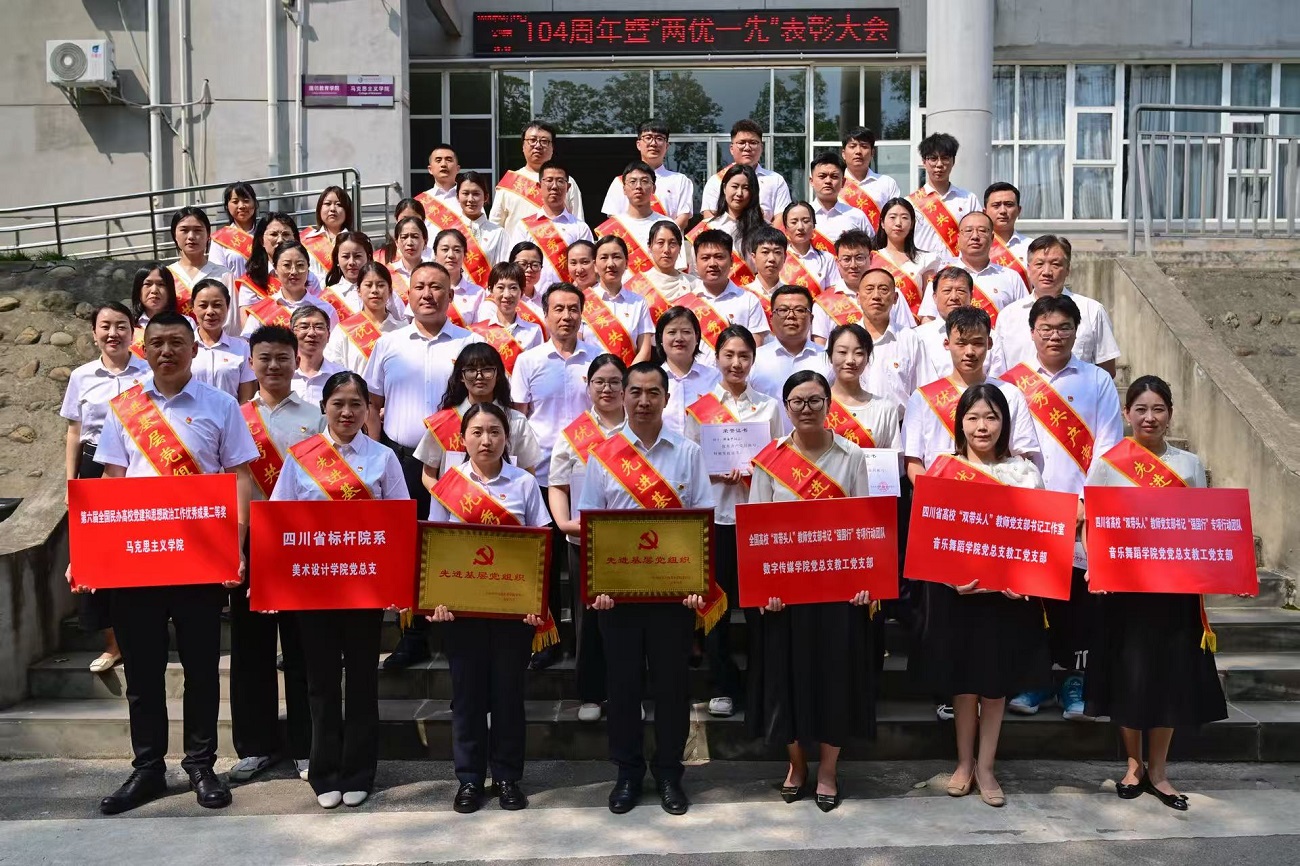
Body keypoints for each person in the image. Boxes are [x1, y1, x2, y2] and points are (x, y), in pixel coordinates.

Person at [88, 311, 258, 815]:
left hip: (200, 558)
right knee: (142, 672)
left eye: (176, 342)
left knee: (202, 668)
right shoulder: (126, 408)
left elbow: (239, 478)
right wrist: (95, 552)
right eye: (157, 342)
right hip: (137, 559)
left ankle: (201, 764)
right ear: (144, 349)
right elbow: (112, 481)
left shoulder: (220, 405)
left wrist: (236, 546)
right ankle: (147, 768)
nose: (166, 351)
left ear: (193, 348)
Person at [1082, 375, 1228, 811]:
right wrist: (1098, 569)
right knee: (1130, 676)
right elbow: (1094, 524)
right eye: (1141, 409)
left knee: (1168, 677)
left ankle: (1160, 771)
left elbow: (1201, 525)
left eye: (1158, 409)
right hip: (1125, 591)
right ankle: (1133, 765)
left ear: (1170, 415)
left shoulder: (1189, 465)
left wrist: (1221, 574)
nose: (1150, 417)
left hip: (1174, 591)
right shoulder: (1108, 463)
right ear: (1127, 414)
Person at [578, 361, 716, 816]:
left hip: (673, 598)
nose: (642, 401)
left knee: (673, 688)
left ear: (666, 399)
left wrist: (696, 584)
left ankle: (670, 773)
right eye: (634, 392)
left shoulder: (688, 453)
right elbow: (591, 523)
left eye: (652, 392)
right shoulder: (603, 455)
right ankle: (627, 773)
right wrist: (598, 586)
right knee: (622, 688)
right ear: (623, 396)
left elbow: (702, 520)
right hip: (617, 598)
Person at [269, 371, 408, 809]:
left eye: (356, 404)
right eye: (338, 404)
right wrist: (274, 585)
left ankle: (359, 770)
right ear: (323, 407)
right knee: (321, 682)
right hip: (314, 588)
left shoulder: (383, 458)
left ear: (368, 409)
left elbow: (400, 523)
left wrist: (398, 584)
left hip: (364, 586)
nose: (347, 412)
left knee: (363, 679)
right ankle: (325, 771)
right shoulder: (301, 456)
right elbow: (279, 519)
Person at [910, 383, 1051, 809]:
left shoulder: (1024, 473)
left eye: (991, 417)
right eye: (972, 417)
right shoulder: (942, 470)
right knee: (964, 684)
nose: (982, 426)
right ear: (960, 424)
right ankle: (963, 763)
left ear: (1005, 423)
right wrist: (947, 577)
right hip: (958, 596)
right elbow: (929, 538)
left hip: (1004, 599)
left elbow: (1039, 538)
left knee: (994, 685)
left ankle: (986, 767)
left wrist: (1022, 579)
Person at [746, 370, 875, 812]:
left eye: (815, 401)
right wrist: (764, 588)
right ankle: (796, 765)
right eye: (798, 402)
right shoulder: (771, 460)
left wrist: (863, 583)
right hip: (785, 594)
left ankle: (828, 771)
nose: (806, 409)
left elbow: (864, 524)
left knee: (834, 680)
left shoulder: (851, 455)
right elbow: (757, 527)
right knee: (786, 681)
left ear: (828, 405)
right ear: (786, 407)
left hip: (837, 590)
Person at [1003, 295, 1124, 721]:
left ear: (1077, 331)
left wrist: (1086, 502)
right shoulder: (1012, 383)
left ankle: (1075, 680)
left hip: (1081, 509)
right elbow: (1006, 446)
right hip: (1028, 508)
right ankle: (1034, 679)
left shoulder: (1097, 380)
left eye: (1063, 328)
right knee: (1031, 598)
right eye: (1046, 329)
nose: (1054, 336)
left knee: (1078, 600)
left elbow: (1108, 446)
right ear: (1032, 332)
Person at [426, 402, 550, 814]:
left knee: (509, 695)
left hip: (513, 612)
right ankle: (469, 779)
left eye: (494, 431)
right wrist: (438, 599)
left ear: (506, 438)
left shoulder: (524, 484)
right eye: (477, 432)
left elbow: (541, 545)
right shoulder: (450, 484)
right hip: (463, 612)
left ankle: (508, 777)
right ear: (463, 439)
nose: (486, 440)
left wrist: (536, 601)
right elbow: (436, 544)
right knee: (468, 698)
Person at [227, 324, 320, 786]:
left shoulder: (316, 415)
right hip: (248, 537)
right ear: (251, 362)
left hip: (299, 538)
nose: (274, 365)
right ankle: (256, 746)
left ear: (295, 359)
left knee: (302, 645)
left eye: (283, 357)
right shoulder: (234, 416)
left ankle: (307, 745)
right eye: (264, 357)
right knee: (251, 646)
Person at [683, 326, 783, 719]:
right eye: (729, 355)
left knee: (760, 607)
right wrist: (714, 473)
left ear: (753, 360)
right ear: (717, 358)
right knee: (717, 609)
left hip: (757, 518)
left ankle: (762, 685)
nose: (736, 363)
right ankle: (722, 684)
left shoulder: (770, 408)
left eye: (744, 356)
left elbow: (782, 463)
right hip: (717, 517)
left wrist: (758, 472)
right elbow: (690, 466)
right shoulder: (700, 409)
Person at [509, 283, 603, 664]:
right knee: (544, 566)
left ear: (582, 314)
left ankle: (584, 644)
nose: (566, 316)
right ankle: (546, 640)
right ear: (545, 315)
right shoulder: (528, 361)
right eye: (558, 309)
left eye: (573, 309)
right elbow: (519, 419)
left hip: (586, 477)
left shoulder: (598, 360)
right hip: (540, 475)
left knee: (584, 568)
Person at [60, 302, 149, 674]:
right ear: (94, 332)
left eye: (121, 325)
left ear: (133, 331)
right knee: (98, 555)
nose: (113, 333)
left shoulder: (148, 372)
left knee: (137, 552)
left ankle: (143, 635)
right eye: (106, 326)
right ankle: (112, 644)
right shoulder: (81, 376)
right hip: (94, 466)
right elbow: (74, 432)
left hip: (138, 467)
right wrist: (72, 483)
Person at [365, 261, 482, 524]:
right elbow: (372, 403)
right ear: (409, 295)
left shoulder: (471, 344)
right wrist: (374, 452)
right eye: (419, 287)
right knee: (400, 535)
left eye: (435, 287)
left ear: (450, 295)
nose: (427, 294)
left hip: (455, 462)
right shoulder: (388, 344)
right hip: (399, 460)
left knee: (449, 538)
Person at [547, 354, 628, 723]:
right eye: (600, 382)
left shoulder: (638, 429)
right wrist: (563, 523)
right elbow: (558, 484)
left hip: (631, 545)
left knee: (629, 620)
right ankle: (591, 693)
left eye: (614, 381)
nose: (607, 389)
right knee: (588, 618)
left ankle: (627, 693)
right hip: (584, 541)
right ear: (588, 385)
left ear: (625, 387)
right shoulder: (573, 434)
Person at [902, 306, 1042, 484]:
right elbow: (913, 460)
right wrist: (933, 494)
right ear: (947, 344)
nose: (969, 352)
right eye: (961, 343)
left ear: (989, 343)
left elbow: (1022, 454)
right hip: (939, 496)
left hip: (997, 493)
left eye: (977, 343)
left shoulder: (1010, 394)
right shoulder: (923, 397)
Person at [989, 235, 1121, 378]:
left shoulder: (1092, 311)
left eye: (1055, 264)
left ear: (1068, 269)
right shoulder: (1008, 315)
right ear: (1028, 268)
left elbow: (1106, 371)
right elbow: (999, 372)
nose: (1046, 272)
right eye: (1039, 264)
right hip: (1022, 392)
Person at [415, 342, 542, 486]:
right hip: (452, 499)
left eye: (487, 370)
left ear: (498, 375)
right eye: (471, 370)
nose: (479, 376)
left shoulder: (516, 421)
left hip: (504, 499)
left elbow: (528, 472)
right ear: (461, 376)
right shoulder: (443, 421)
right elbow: (428, 474)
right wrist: (446, 498)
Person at [916, 212, 1026, 324]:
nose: (975, 237)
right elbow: (928, 320)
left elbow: (1023, 317)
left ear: (992, 238)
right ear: (958, 238)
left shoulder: (1011, 277)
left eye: (982, 231)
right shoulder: (942, 277)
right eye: (968, 231)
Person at [811, 230, 915, 344]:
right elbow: (820, 347)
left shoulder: (890, 293)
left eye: (859, 258)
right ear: (837, 262)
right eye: (846, 259)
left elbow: (907, 336)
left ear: (870, 258)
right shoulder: (823, 303)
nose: (853, 265)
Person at [509, 161, 594, 295]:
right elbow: (515, 267)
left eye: (560, 181)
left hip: (568, 300)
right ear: (539, 186)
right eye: (549, 180)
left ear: (568, 187)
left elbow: (589, 269)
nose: (554, 186)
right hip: (531, 299)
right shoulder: (524, 226)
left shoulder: (580, 228)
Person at [595, 161, 688, 278]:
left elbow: (677, 268)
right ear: (624, 189)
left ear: (653, 188)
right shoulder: (610, 228)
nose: (638, 186)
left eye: (644, 181)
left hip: (658, 288)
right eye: (632, 182)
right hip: (622, 289)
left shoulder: (668, 225)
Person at [491, 120, 585, 233]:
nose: (538, 145)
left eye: (544, 141)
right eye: (532, 140)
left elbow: (578, 223)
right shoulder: (510, 183)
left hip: (556, 244)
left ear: (552, 147)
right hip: (517, 244)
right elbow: (494, 227)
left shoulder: (566, 182)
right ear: (523, 146)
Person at [749, 285, 833, 410]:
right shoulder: (754, 360)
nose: (791, 315)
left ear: (811, 318)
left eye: (799, 310)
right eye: (783, 310)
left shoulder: (828, 359)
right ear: (771, 319)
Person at [685, 230, 769, 353]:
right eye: (705, 258)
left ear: (731, 261)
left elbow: (757, 347)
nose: (712, 263)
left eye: (719, 257)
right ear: (696, 263)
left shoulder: (749, 300)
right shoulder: (686, 304)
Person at [601, 121, 695, 230]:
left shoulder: (680, 181)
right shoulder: (620, 181)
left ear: (667, 146)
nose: (653, 143)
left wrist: (661, 237)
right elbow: (614, 219)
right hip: (632, 240)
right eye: (648, 138)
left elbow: (683, 218)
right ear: (638, 144)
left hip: (666, 240)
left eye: (659, 138)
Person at [580, 235, 654, 366]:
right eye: (604, 257)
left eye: (616, 257)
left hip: (628, 375)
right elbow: (577, 345)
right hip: (590, 376)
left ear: (626, 263)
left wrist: (628, 376)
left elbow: (644, 350)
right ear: (595, 265)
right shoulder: (582, 301)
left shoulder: (638, 303)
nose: (610, 264)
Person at [859, 268, 925, 414]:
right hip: (853, 423)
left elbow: (924, 391)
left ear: (895, 298)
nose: (876, 296)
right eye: (869, 289)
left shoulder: (910, 339)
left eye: (883, 289)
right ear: (858, 297)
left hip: (900, 423)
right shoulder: (844, 338)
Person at [700, 119, 792, 223]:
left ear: (761, 148)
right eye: (741, 143)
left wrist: (765, 234)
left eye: (753, 143)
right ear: (731, 148)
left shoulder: (776, 180)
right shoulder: (716, 181)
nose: (747, 148)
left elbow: (781, 217)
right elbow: (709, 217)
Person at [825, 324, 900, 449]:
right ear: (830, 356)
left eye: (859, 353)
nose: (850, 360)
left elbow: (893, 457)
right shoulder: (815, 404)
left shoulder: (884, 409)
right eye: (842, 352)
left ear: (867, 358)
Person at [240, 241, 339, 334]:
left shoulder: (326, 309)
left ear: (308, 268)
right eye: (286, 265)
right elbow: (249, 344)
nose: (294, 271)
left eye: (300, 265)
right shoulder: (262, 311)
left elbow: (335, 345)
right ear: (275, 268)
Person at [908, 133, 982, 257]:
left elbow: (979, 233)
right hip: (923, 267)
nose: (939, 164)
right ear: (924, 162)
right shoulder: (911, 203)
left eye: (945, 158)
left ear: (953, 161)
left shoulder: (968, 199)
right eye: (933, 158)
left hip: (958, 267)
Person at [871, 197, 945, 319]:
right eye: (892, 217)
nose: (898, 223)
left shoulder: (926, 259)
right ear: (882, 223)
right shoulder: (871, 258)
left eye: (904, 218)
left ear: (912, 224)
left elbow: (929, 304)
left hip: (915, 326)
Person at [325, 262, 405, 374]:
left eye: (381, 285)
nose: (374, 290)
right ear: (358, 291)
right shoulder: (343, 331)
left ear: (390, 291)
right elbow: (332, 368)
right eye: (368, 285)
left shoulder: (403, 329)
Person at [690, 164, 763, 286]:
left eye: (745, 188)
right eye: (734, 186)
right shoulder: (706, 227)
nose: (739, 193)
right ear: (724, 188)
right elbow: (695, 274)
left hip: (753, 294)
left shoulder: (764, 229)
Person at [654, 306, 721, 437]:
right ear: (661, 338)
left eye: (686, 332)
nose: (679, 338)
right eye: (672, 332)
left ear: (697, 337)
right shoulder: (651, 380)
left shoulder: (715, 378)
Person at [237, 212, 323, 312]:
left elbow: (320, 313)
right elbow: (247, 317)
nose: (280, 240)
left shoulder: (309, 278)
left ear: (295, 239)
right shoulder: (251, 281)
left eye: (286, 234)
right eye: (273, 234)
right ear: (261, 241)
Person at [914, 267, 988, 382]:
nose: (954, 297)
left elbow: (996, 379)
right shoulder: (916, 337)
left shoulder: (988, 336)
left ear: (971, 296)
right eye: (947, 291)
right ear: (934, 297)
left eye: (961, 291)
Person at [471, 261, 546, 372]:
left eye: (513, 288)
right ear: (491, 290)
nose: (507, 295)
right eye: (500, 287)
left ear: (522, 292)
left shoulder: (534, 331)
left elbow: (538, 369)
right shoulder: (477, 332)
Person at [167, 206, 234, 331]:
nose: (191, 236)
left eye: (198, 230)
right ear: (174, 235)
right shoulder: (166, 275)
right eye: (184, 230)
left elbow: (231, 322)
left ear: (208, 234)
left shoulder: (224, 275)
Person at [190, 279, 256, 401]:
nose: (210, 312)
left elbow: (246, 399)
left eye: (217, 305)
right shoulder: (183, 347)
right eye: (203, 306)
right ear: (193, 307)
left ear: (228, 307)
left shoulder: (242, 348)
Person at [840, 127, 902, 233]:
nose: (858, 151)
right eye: (852, 146)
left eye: (864, 146)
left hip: (877, 242)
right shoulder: (834, 183)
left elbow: (896, 218)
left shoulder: (886, 183)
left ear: (872, 152)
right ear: (843, 153)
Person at [632, 220, 697, 319]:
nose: (666, 250)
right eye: (660, 243)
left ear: (680, 248)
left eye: (672, 243)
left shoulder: (694, 284)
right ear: (650, 246)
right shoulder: (638, 284)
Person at [455, 170, 510, 284]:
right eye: (465, 193)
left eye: (476, 194)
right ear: (457, 197)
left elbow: (503, 271)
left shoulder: (498, 233)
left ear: (486, 197)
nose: (470, 199)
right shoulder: (449, 231)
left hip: (487, 293)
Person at [322, 230, 389, 322]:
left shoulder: (385, 291)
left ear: (368, 257)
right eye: (345, 256)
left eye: (357, 256)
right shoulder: (328, 296)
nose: (351, 262)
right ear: (337, 260)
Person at [809, 152, 873, 246]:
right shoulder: (801, 217)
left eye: (834, 176)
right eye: (822, 176)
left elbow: (872, 249)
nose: (828, 181)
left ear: (843, 182)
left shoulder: (857, 216)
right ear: (811, 181)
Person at [432, 227, 490, 326]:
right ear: (435, 254)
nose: (451, 255)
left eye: (457, 250)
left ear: (465, 255)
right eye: (445, 249)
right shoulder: (424, 288)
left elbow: (480, 328)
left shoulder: (477, 293)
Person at [289, 306, 345, 405]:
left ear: (328, 335)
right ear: (292, 334)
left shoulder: (343, 377)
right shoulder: (280, 375)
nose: (311, 333)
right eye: (304, 327)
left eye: (319, 327)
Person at [780, 202, 838, 293]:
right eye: (794, 222)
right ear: (785, 228)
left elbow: (832, 293)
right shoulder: (778, 258)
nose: (800, 227)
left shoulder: (826, 259)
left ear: (814, 225)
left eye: (806, 221)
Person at [129, 263, 186, 356]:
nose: (154, 290)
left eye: (161, 284)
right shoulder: (128, 324)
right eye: (148, 284)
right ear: (138, 290)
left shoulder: (185, 322)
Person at [983, 182, 1031, 289]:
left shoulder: (1031, 246)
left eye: (1009, 205)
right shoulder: (975, 246)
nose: (1003, 211)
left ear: (1019, 210)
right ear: (985, 211)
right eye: (996, 205)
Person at [302, 186, 354, 283]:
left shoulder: (355, 241)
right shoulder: (306, 239)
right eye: (327, 204)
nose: (333, 209)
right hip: (312, 290)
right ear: (319, 209)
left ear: (347, 211)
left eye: (339, 204)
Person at [209, 181, 258, 278]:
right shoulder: (220, 239)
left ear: (255, 204)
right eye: (235, 202)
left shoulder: (265, 234)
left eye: (246, 200)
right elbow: (217, 274)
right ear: (227, 206)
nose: (241, 206)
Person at [388, 216, 432, 307]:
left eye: (415, 237)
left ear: (425, 241)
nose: (409, 243)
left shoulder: (434, 272)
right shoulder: (387, 273)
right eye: (404, 237)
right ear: (396, 242)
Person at [509, 241, 552, 333]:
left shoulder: (546, 302)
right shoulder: (500, 300)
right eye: (522, 264)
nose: (529, 269)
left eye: (535, 265)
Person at [375, 198, 431, 266]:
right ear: (396, 220)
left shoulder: (433, 254)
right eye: (405, 219)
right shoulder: (380, 256)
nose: (410, 223)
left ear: (424, 221)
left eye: (415, 219)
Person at [415, 143, 462, 219]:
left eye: (449, 160)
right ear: (430, 169)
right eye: (438, 160)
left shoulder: (469, 199)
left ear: (458, 169)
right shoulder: (419, 202)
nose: (443, 164)